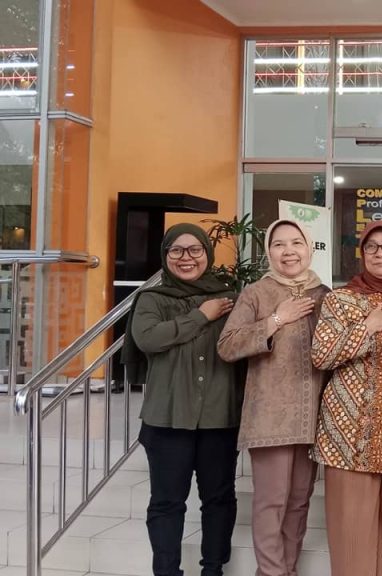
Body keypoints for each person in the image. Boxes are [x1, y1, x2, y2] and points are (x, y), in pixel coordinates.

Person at [126, 223, 242, 576]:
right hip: (167, 419)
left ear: (207, 253)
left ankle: (213, 569)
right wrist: (201, 316)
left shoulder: (230, 297)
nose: (186, 257)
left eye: (195, 249)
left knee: (219, 499)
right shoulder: (151, 299)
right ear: (165, 255)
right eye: (176, 250)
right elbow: (149, 338)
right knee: (167, 502)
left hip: (219, 419)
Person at [217, 219, 329, 576]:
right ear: (269, 252)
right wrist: (276, 319)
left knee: (298, 502)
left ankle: (288, 569)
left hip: (311, 416)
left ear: (309, 248)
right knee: (271, 502)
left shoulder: (324, 294)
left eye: (297, 243)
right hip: (269, 416)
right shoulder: (256, 293)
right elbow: (227, 345)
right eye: (279, 244)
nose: (289, 251)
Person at [309, 221, 382, 576]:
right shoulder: (339, 299)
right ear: (361, 254)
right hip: (351, 434)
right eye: (372, 247)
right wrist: (368, 327)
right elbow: (322, 356)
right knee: (352, 535)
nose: (380, 254)